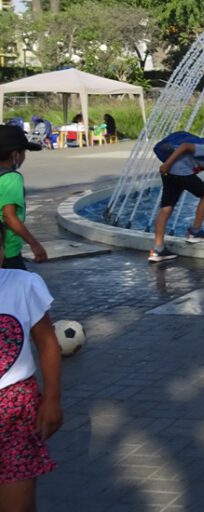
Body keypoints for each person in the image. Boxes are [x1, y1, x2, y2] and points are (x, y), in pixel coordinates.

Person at [0, 267, 62, 510]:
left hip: (16, 411)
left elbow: (47, 341)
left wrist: (52, 399)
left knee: (19, 503)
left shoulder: (22, 285)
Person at [0, 125, 48, 269]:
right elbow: (9, 216)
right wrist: (34, 243)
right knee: (19, 286)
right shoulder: (11, 178)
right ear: (15, 155)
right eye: (24, 152)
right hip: (8, 252)